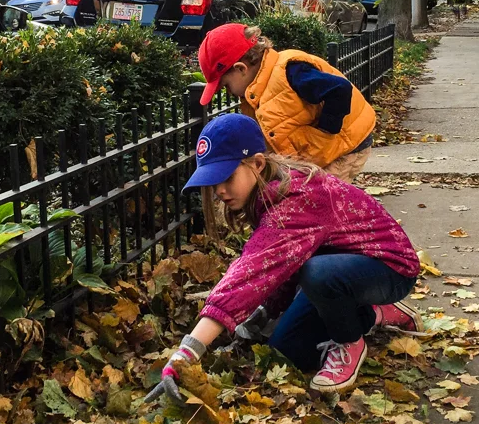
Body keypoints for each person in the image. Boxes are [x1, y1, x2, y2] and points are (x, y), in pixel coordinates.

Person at [147, 114, 422, 403]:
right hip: (340, 270)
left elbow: (251, 271)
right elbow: (283, 262)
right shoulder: (268, 191)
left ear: (257, 164)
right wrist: (267, 311)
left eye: (226, 178)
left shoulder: (297, 199)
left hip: (388, 267)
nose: (219, 191)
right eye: (213, 182)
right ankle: (373, 312)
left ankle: (350, 342)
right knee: (287, 350)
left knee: (319, 274)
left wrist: (187, 352)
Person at [197, 23, 376, 181]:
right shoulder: (257, 90)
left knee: (318, 200)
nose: (229, 92)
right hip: (323, 153)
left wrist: (323, 133)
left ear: (241, 69)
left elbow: (340, 89)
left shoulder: (290, 72)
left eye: (226, 86)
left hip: (347, 147)